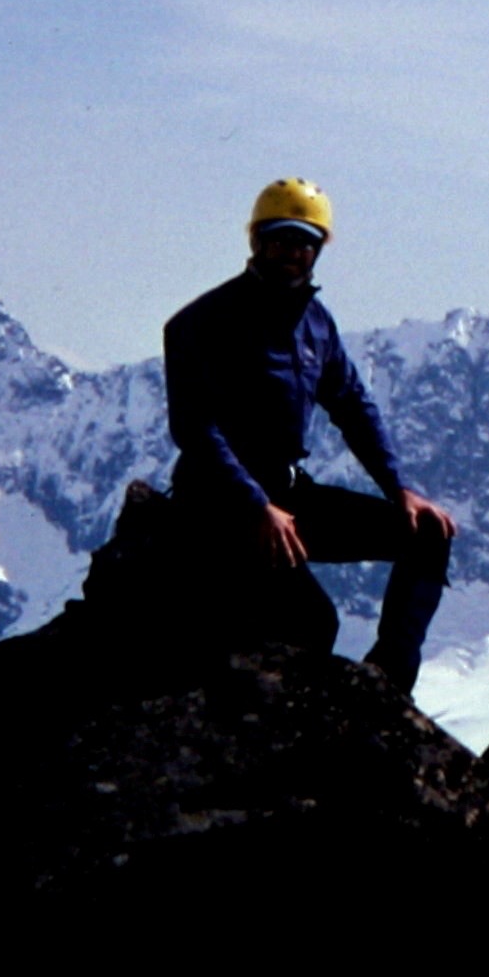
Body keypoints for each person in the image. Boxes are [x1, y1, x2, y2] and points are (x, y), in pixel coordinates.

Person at [164, 178, 456, 693]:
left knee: (426, 536)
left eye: (303, 242)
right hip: (220, 504)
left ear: (318, 250)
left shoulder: (315, 324)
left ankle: (386, 690)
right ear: (257, 242)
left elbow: (352, 406)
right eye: (280, 240)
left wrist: (399, 490)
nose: (291, 253)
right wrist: (256, 505)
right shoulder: (204, 321)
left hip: (287, 495)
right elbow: (195, 427)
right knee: (313, 623)